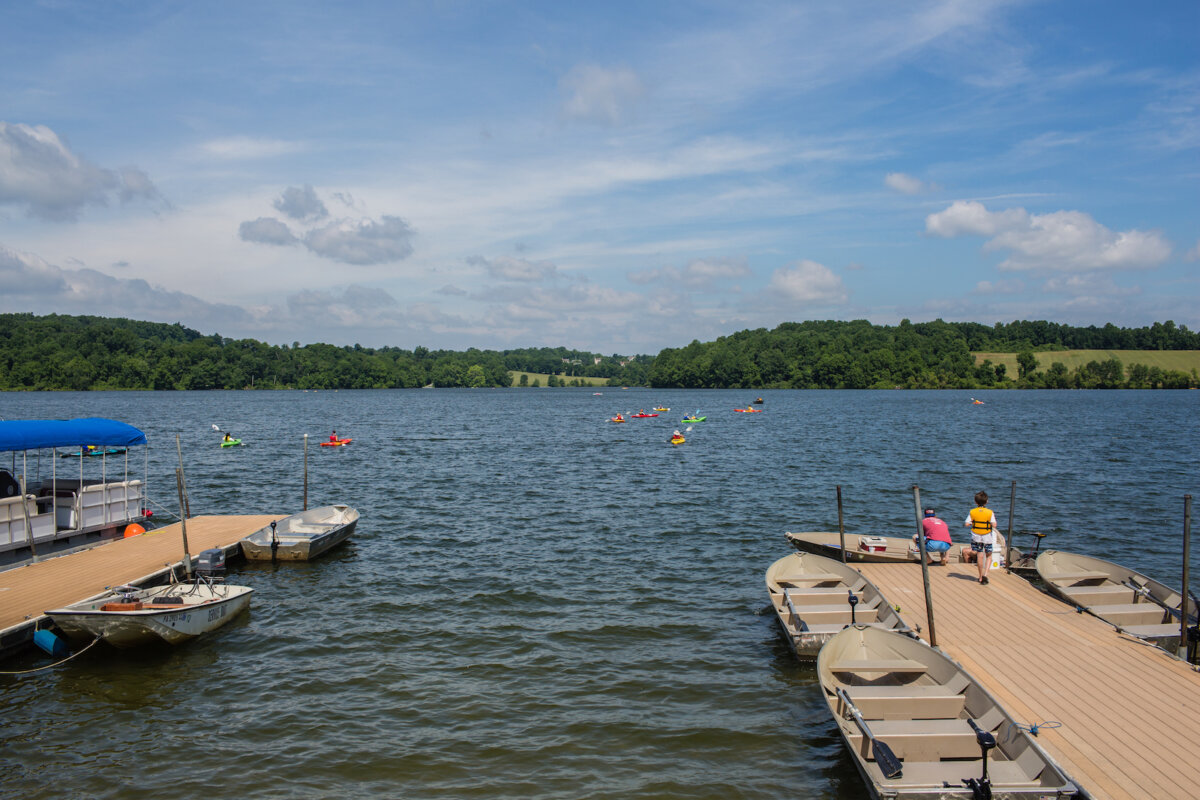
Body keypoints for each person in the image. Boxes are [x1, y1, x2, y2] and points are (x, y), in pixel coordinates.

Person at [964, 490, 999, 584]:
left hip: (976, 536)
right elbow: (994, 525)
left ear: (975, 502)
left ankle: (979, 576)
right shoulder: (989, 512)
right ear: (987, 501)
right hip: (987, 536)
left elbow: (967, 524)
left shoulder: (972, 512)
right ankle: (985, 574)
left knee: (979, 555)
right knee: (989, 555)